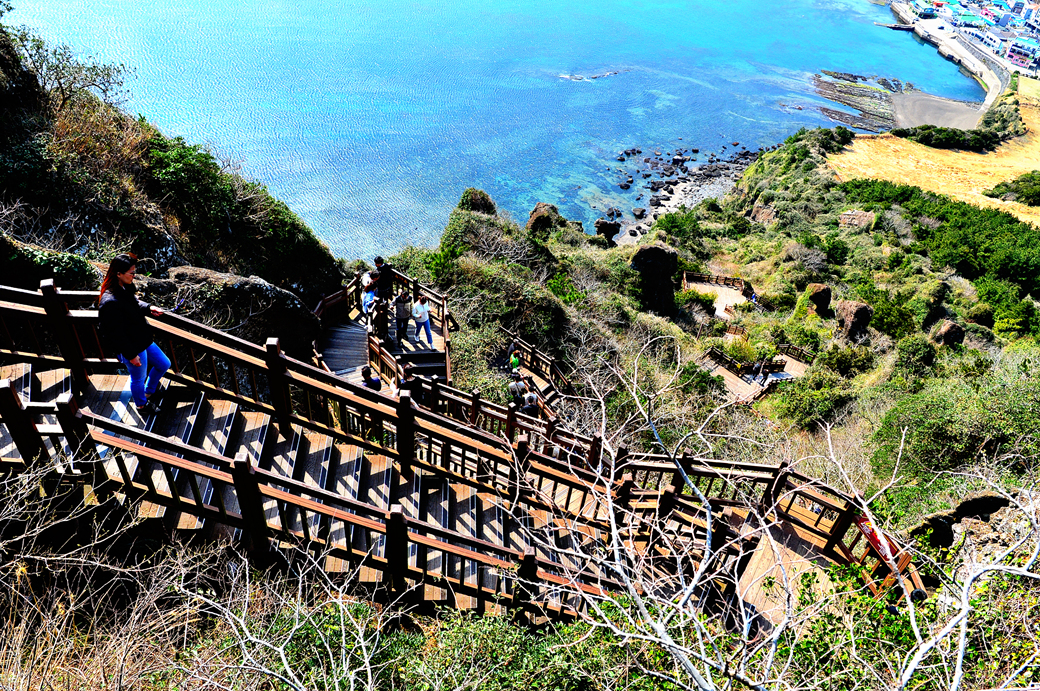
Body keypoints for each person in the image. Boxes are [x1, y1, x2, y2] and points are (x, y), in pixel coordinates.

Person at [98, 253, 170, 417]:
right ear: (119, 274)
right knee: (138, 378)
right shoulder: (109, 301)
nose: (134, 275)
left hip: (142, 339)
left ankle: (149, 391)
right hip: (132, 347)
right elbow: (114, 334)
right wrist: (131, 355)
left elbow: (134, 303)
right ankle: (142, 405)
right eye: (131, 273)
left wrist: (149, 308)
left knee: (164, 364)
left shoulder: (125, 288)